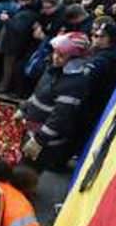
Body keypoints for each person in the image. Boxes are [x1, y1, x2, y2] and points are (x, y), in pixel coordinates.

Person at [18, 32, 93, 171]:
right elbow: (38, 93)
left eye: (61, 55)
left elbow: (60, 117)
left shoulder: (74, 84)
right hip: (33, 130)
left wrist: (39, 141)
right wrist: (24, 108)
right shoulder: (53, 70)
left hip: (47, 141)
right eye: (55, 53)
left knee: (29, 172)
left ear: (74, 60)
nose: (55, 57)